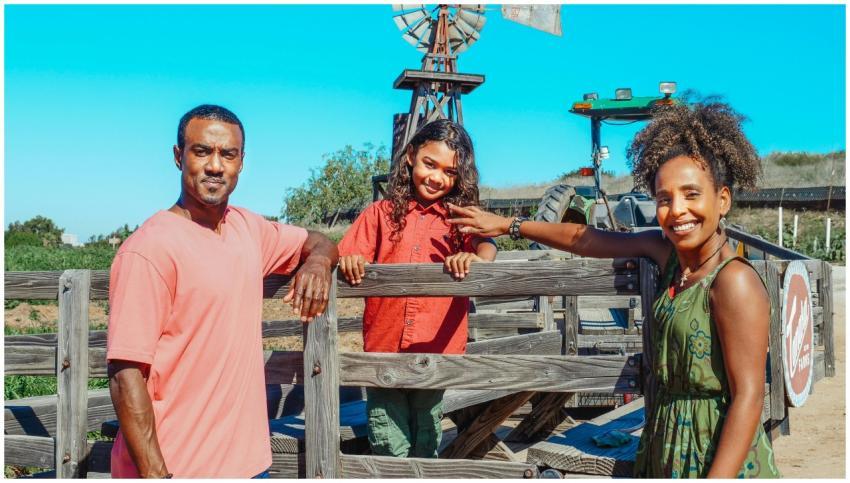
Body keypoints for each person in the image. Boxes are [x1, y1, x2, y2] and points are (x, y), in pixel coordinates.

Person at [447, 99, 780, 478]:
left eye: (692, 194)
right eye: (664, 199)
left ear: (722, 200)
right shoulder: (667, 255)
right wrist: (510, 226)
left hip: (717, 453)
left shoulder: (733, 281)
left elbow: (749, 397)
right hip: (667, 440)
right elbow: (585, 237)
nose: (677, 210)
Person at [106, 104, 338, 478]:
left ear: (241, 162)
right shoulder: (148, 249)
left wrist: (318, 262)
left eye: (228, 154)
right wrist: (155, 474)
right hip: (179, 467)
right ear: (178, 156)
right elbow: (125, 375)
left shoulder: (247, 229)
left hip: (249, 464)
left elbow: (319, 241)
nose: (215, 166)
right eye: (202, 151)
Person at [337, 119, 497, 458]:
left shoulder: (459, 220)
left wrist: (475, 258)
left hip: (434, 353)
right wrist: (350, 260)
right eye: (429, 164)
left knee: (426, 439)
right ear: (410, 156)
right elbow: (348, 254)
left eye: (450, 172)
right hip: (384, 354)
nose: (437, 177)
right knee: (387, 442)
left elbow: (487, 246)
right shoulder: (380, 214)